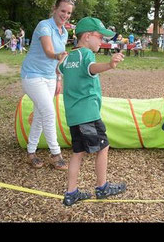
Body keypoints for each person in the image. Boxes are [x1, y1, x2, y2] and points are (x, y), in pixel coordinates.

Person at [58, 17, 126, 206]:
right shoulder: (87, 55)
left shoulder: (70, 56)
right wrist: (109, 65)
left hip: (73, 116)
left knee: (78, 152)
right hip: (88, 115)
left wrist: (61, 60)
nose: (101, 41)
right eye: (99, 37)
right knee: (103, 147)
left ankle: (71, 193)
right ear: (87, 36)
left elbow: (60, 68)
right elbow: (92, 68)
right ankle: (102, 187)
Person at [20, 0, 74, 170]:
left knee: (41, 114)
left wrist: (59, 78)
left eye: (68, 13)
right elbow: (49, 51)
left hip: (50, 77)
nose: (65, 15)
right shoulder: (44, 26)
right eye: (63, 11)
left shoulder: (64, 32)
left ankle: (31, 152)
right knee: (49, 112)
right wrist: (58, 55)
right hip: (32, 75)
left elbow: (57, 62)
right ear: (55, 9)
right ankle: (55, 154)